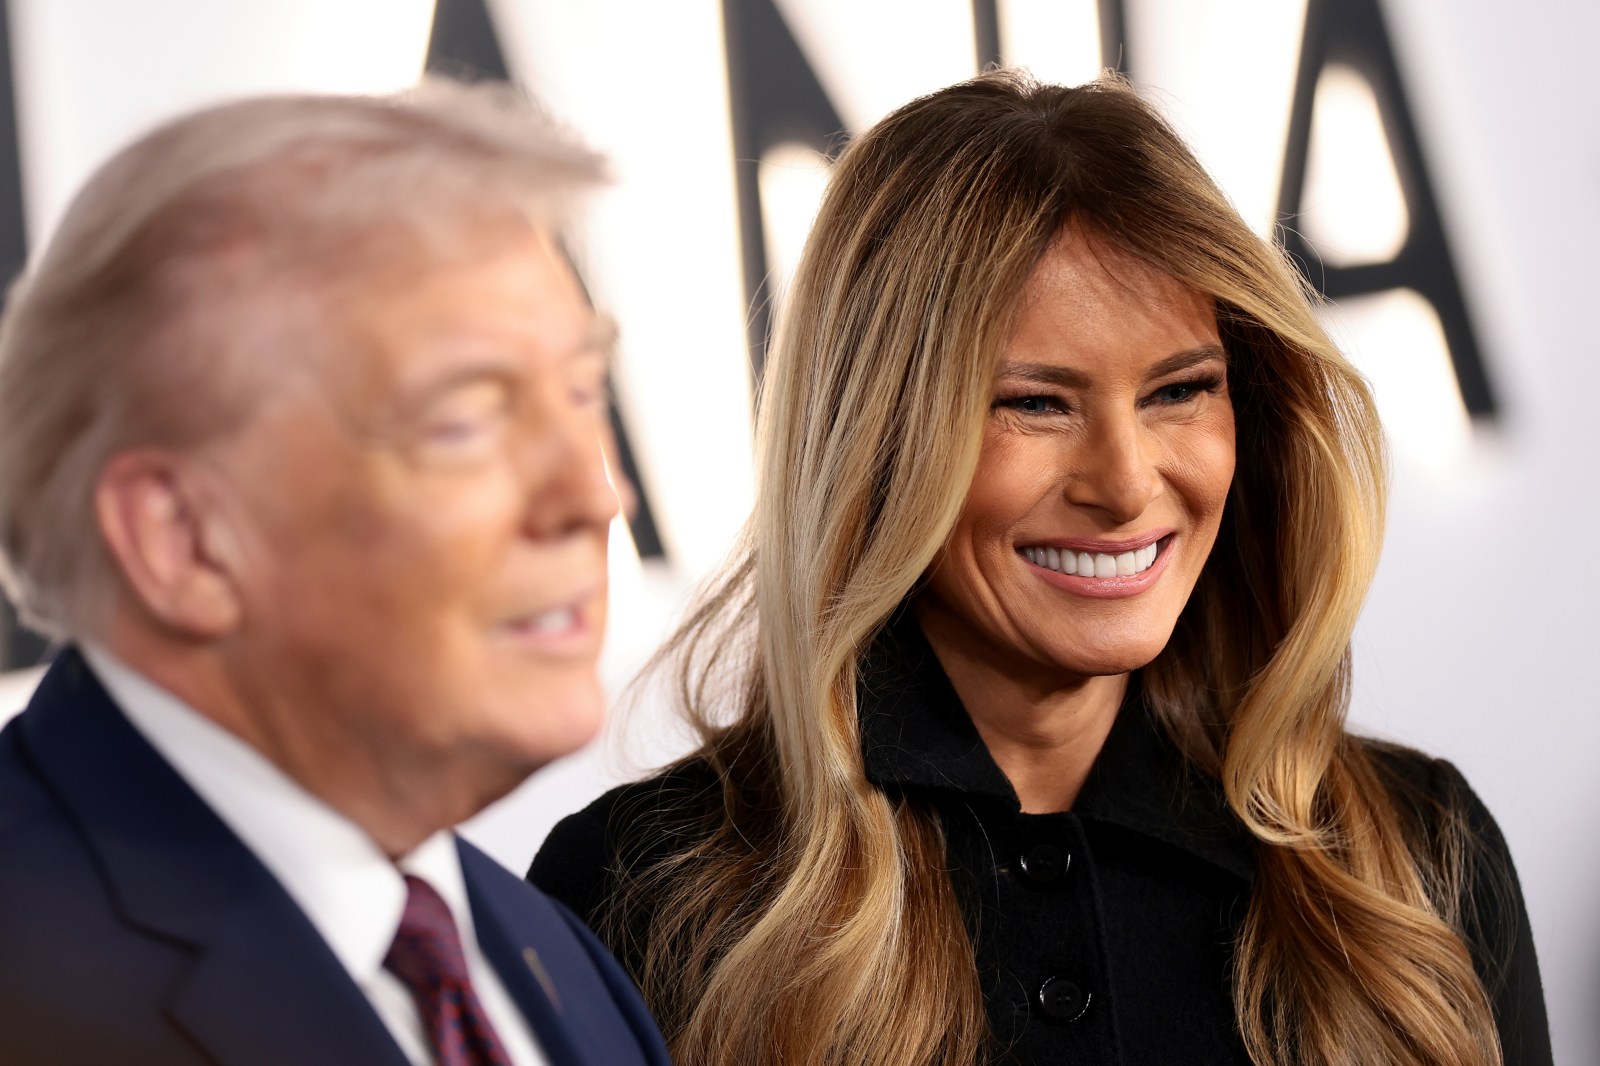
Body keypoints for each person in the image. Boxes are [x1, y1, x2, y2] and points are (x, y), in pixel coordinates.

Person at [529, 71, 1551, 1066]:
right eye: (1035, 403)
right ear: (878, 439)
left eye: (1180, 391)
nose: (1123, 482)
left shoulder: (1419, 854)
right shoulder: (637, 887)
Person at [0, 80, 670, 1066]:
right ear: (182, 537)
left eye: (582, 394)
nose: (597, 493)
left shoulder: (553, 951)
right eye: (466, 421)